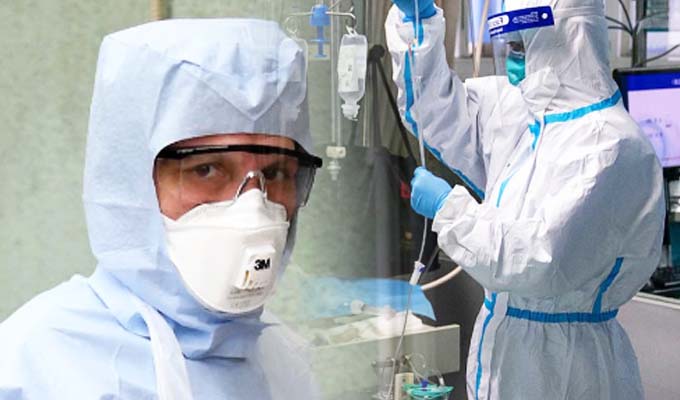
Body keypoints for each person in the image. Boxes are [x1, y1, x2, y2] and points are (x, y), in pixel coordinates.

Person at [0, 18, 322, 399]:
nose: (254, 209)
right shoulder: (36, 367)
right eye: (206, 169)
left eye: (276, 172)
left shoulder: (282, 365)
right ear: (130, 182)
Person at [387, 0, 665, 399]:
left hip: (569, 369)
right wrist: (420, 26)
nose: (514, 61)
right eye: (510, 46)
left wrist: (450, 209)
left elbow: (535, 263)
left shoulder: (610, 146)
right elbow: (435, 112)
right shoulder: (525, 113)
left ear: (566, 39)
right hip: (504, 350)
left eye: (522, 46)